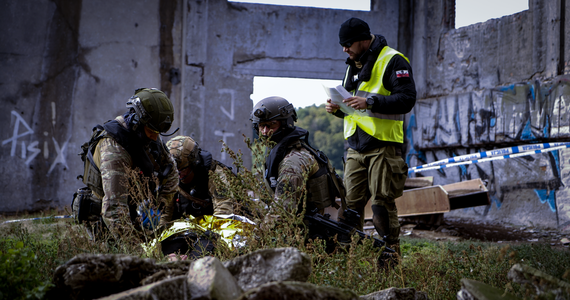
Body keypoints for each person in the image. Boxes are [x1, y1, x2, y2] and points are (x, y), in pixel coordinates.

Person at [325, 17, 417, 250]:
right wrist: (338, 109)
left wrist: (370, 102)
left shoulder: (393, 60)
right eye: (342, 45)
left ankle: (390, 256)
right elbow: (354, 109)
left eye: (348, 44)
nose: (344, 49)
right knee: (350, 209)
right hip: (355, 147)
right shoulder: (352, 65)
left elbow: (407, 100)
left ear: (364, 40)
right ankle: (347, 260)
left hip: (383, 146)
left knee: (381, 207)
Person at [74, 88, 179, 240]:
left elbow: (172, 174)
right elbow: (114, 211)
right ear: (137, 121)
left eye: (158, 133)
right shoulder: (114, 148)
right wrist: (137, 252)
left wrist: (158, 207)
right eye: (151, 132)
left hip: (133, 213)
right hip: (104, 221)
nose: (155, 138)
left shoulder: (149, 133)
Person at [250, 96, 342, 217]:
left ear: (285, 124)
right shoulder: (280, 154)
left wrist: (260, 231)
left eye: (271, 125)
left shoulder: (294, 161)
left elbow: (282, 212)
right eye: (261, 126)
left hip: (306, 229)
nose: (265, 131)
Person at [166, 135, 235, 218]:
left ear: (193, 164)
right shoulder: (172, 176)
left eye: (182, 170)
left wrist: (214, 229)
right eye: (175, 171)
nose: (178, 174)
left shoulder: (214, 174)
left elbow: (224, 207)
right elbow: (166, 212)